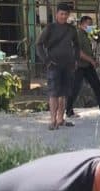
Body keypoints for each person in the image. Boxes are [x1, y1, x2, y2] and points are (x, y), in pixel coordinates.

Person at [36, 3, 79, 131]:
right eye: (61, 14)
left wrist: (75, 59)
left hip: (68, 65)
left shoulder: (71, 29)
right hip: (53, 65)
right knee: (54, 93)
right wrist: (46, 61)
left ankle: (61, 119)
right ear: (57, 14)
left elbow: (77, 45)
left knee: (64, 94)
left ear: (68, 15)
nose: (63, 16)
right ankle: (52, 120)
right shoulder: (50, 28)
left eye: (66, 14)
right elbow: (39, 44)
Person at [66, 15, 100, 118]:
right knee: (75, 89)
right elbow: (79, 52)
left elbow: (98, 40)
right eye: (89, 24)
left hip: (87, 66)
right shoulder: (78, 34)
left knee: (98, 86)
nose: (91, 26)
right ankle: (68, 111)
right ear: (82, 24)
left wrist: (94, 32)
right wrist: (91, 60)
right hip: (79, 66)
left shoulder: (87, 34)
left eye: (92, 24)